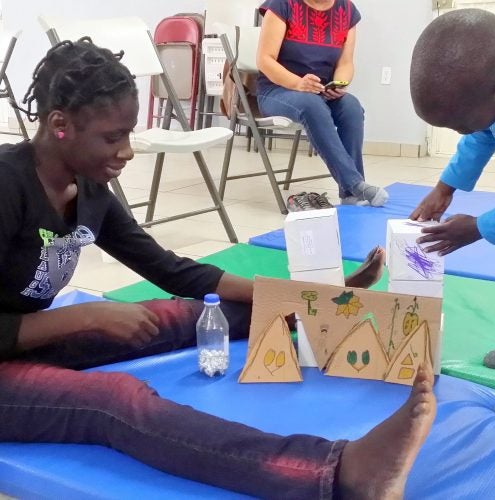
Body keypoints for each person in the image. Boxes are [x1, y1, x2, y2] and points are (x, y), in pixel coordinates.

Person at [0, 38, 436, 499]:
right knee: (117, 401)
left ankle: (312, 310)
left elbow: (174, 271)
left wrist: (314, 291)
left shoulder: (87, 191)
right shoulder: (8, 186)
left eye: (129, 134)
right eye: (113, 137)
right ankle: (340, 471)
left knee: (190, 314)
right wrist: (88, 316)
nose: (127, 151)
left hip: (30, 340)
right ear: (60, 125)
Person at [256, 0, 389, 208]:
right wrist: (297, 83)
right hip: (277, 90)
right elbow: (265, 59)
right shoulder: (282, 4)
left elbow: (345, 63)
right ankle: (354, 184)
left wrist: (340, 83)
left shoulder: (347, 10)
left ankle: (350, 195)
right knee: (311, 105)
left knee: (352, 107)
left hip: (319, 91)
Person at [409, 8, 495, 255]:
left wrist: (479, 227)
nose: (462, 133)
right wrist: (444, 188)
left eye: (464, 124)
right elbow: (483, 136)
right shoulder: (492, 102)